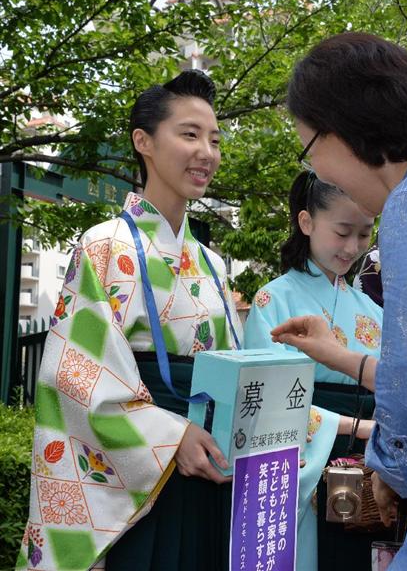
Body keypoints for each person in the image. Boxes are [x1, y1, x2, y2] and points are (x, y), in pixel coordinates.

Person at [17, 70, 243, 571]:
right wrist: (170, 435)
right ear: (143, 141)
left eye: (214, 139)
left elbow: (236, 370)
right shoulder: (103, 245)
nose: (206, 151)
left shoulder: (212, 263)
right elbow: (73, 374)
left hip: (208, 463)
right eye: (189, 134)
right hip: (141, 474)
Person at [272, 32, 407, 570]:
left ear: (344, 128)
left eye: (310, 150)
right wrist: (341, 358)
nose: (320, 173)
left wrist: (392, 467)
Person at [244, 170, 386, 570]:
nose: (353, 247)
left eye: (364, 234)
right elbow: (263, 403)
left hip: (370, 470)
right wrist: (356, 428)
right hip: (303, 461)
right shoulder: (274, 298)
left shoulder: (373, 312)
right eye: (342, 232)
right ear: (306, 222)